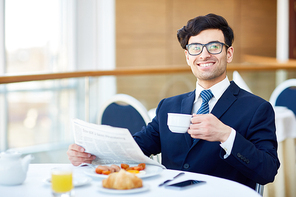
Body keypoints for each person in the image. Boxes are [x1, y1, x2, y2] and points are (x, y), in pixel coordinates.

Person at [67, 13, 280, 189]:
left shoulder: (257, 108)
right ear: (188, 57)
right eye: (195, 48)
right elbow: (135, 148)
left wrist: (226, 135)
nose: (204, 54)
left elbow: (268, 170)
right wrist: (91, 155)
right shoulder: (168, 106)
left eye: (214, 47)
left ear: (229, 53)